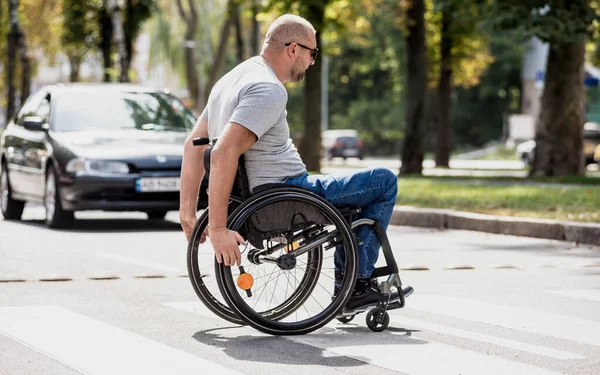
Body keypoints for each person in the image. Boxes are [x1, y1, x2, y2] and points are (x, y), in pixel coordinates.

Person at [179, 14, 399, 312]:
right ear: (293, 49)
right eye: (313, 53)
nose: (312, 62)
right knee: (383, 181)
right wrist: (217, 229)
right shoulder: (267, 88)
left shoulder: (231, 80)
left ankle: (352, 281)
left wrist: (187, 212)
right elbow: (221, 153)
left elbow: (193, 148)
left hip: (265, 195)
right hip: (286, 195)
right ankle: (356, 286)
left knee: (356, 193)